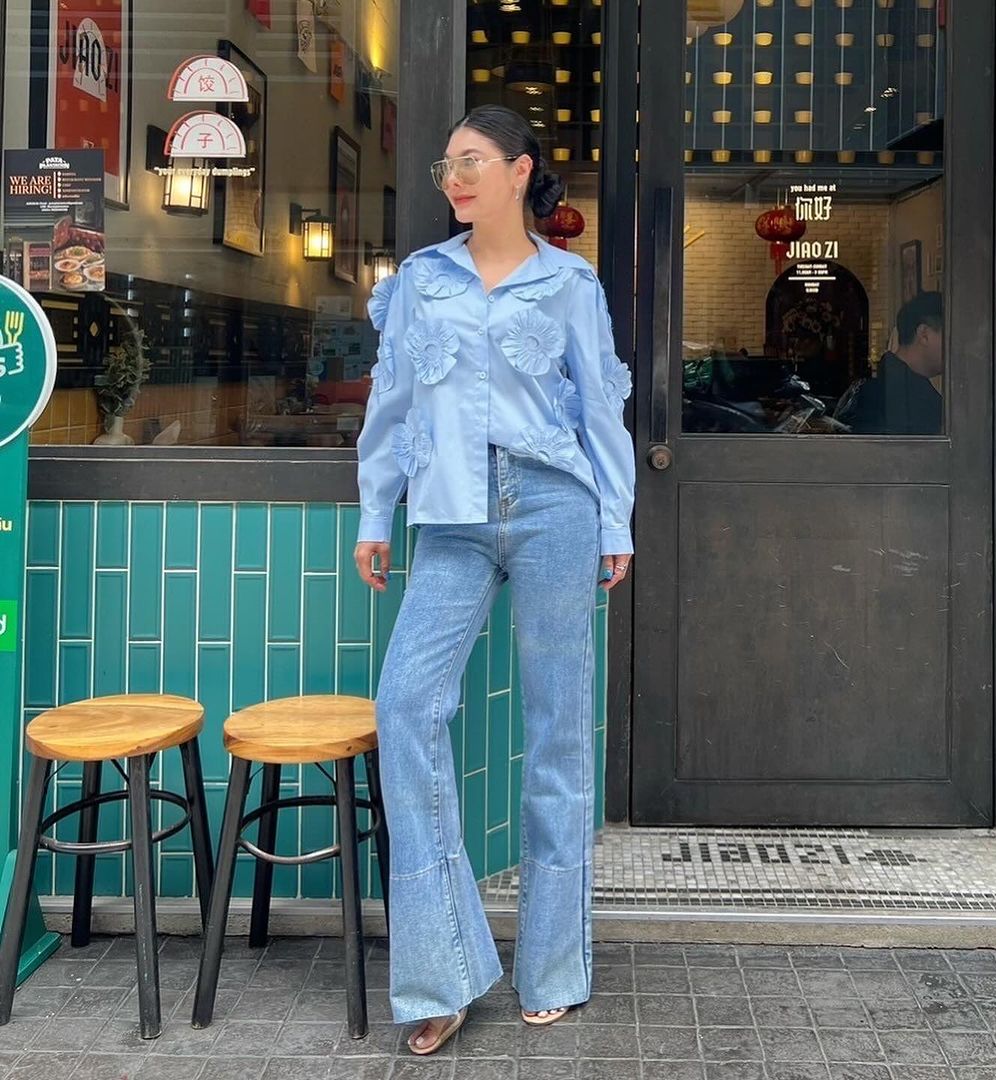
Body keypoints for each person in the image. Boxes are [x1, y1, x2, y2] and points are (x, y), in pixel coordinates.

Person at [352, 104, 636, 1056]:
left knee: (558, 729)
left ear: (520, 172)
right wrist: (373, 512)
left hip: (555, 506)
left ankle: (553, 962)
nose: (455, 179)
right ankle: (442, 968)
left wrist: (615, 518)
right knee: (405, 707)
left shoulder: (570, 283)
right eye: (446, 167)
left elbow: (602, 408)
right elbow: (391, 404)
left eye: (473, 162)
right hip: (451, 516)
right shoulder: (420, 285)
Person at [846, 291, 944, 435]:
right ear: (924, 334)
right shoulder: (908, 398)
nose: (957, 346)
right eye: (949, 334)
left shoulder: (884, 384)